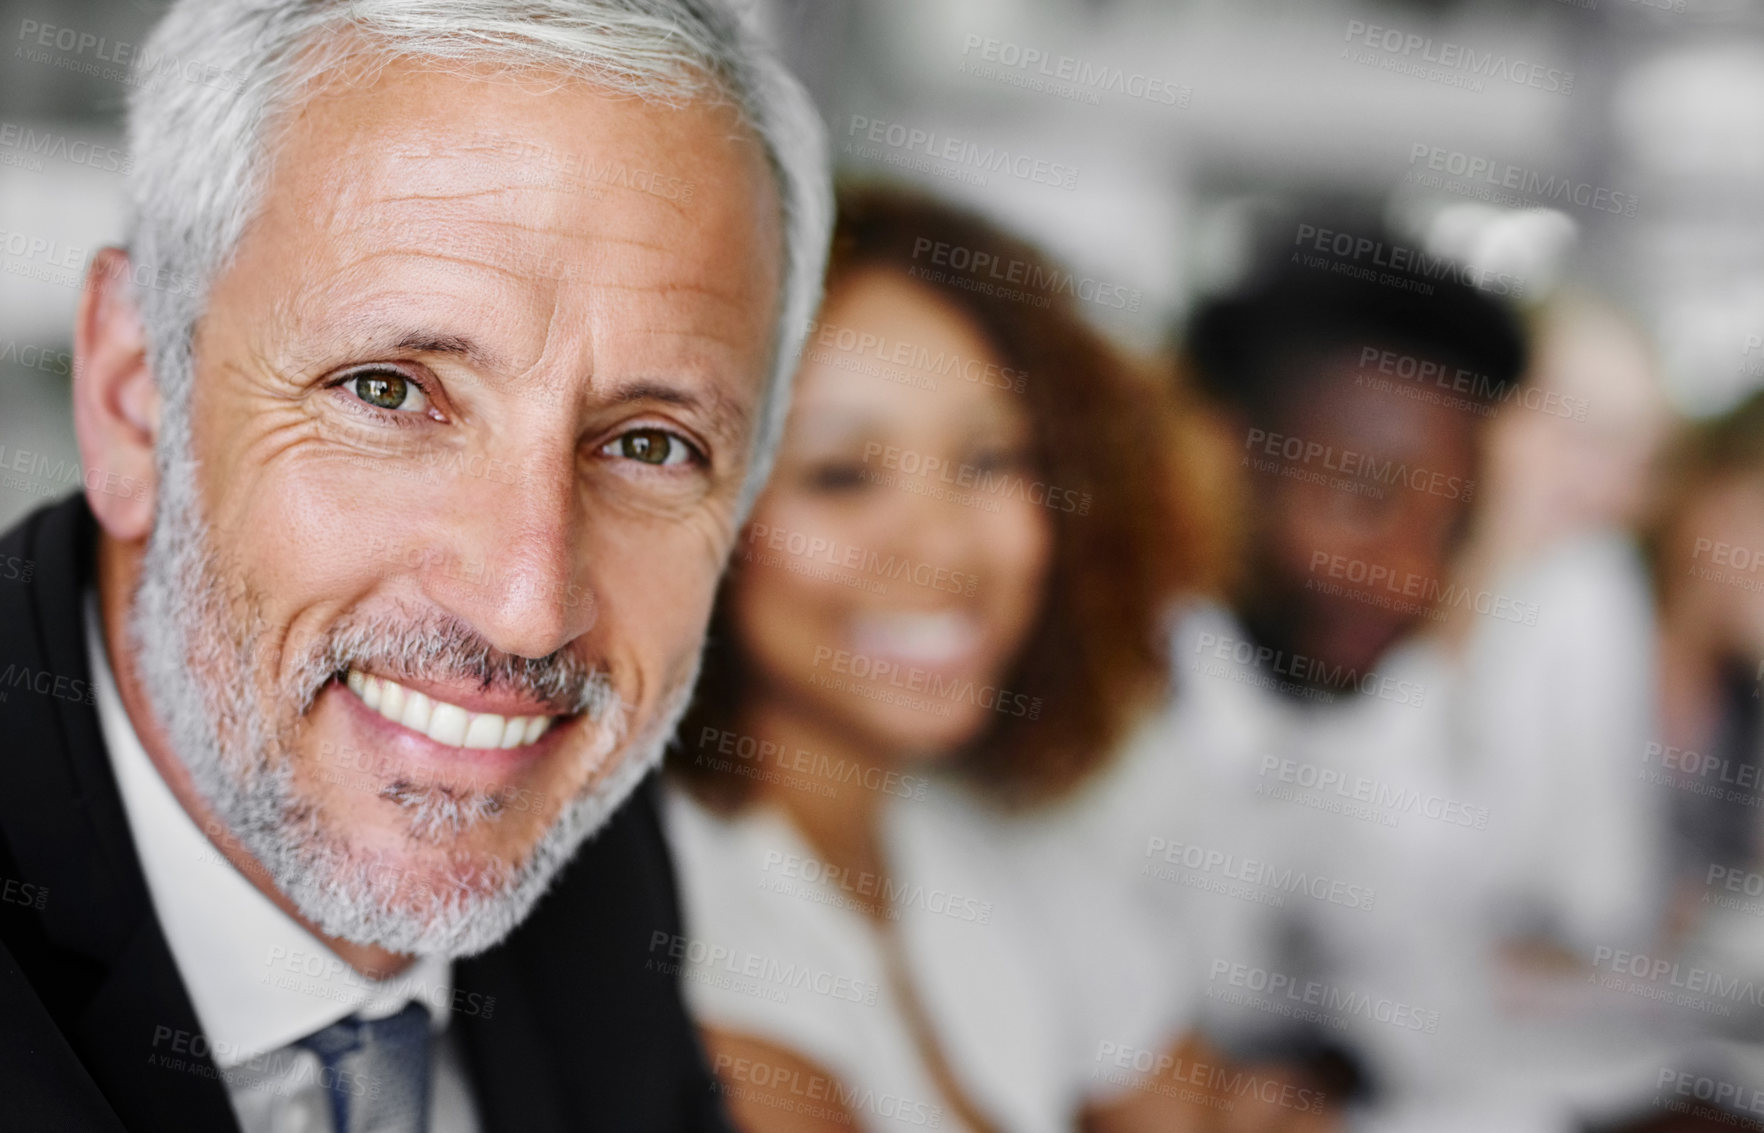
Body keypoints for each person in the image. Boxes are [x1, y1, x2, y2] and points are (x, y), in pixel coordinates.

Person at [0, 1, 833, 1130]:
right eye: (389, 390)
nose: (529, 612)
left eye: (648, 445)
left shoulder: (557, 825)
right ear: (133, 395)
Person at [660, 186, 1223, 1132]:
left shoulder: (993, 850)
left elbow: (1192, 1107)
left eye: (991, 461)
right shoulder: (666, 924)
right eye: (842, 474)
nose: (946, 548)